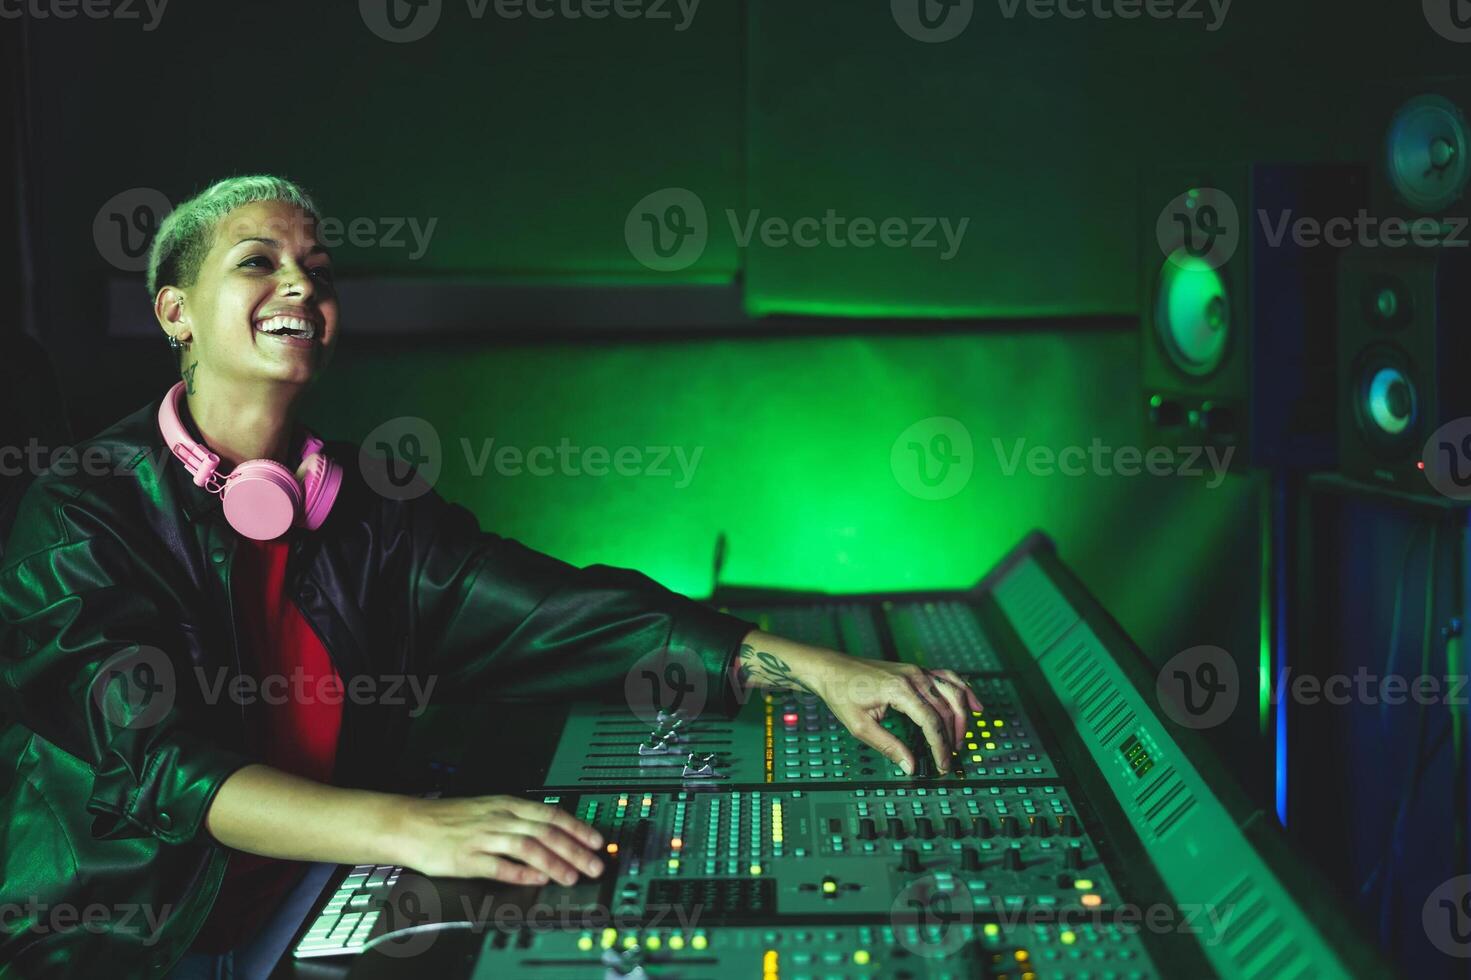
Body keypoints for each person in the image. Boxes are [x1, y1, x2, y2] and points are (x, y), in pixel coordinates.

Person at [0, 175, 983, 979]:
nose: (300, 286)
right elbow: (157, 764)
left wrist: (807, 668)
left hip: (312, 891)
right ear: (174, 309)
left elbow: (556, 614)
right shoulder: (80, 511)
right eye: (259, 262)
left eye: (318, 269)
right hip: (134, 941)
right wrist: (414, 829)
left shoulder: (360, 511)